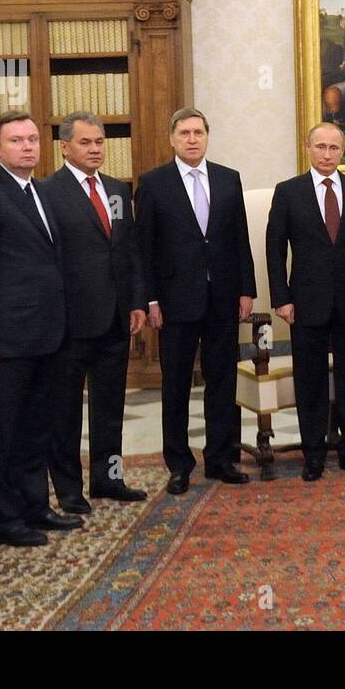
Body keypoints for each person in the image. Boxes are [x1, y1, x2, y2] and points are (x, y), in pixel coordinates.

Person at [0, 111, 79, 546]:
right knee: (1, 434)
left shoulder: (40, 192)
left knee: (36, 428)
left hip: (47, 334)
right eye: (16, 141)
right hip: (5, 340)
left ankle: (35, 507)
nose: (28, 147)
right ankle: (5, 521)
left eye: (32, 139)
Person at [135, 109, 256, 493]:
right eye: (184, 133)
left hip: (222, 297)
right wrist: (150, 299)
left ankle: (221, 458)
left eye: (198, 132)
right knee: (177, 385)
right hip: (175, 302)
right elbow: (144, 249)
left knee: (223, 380)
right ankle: (179, 464)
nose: (192, 139)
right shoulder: (153, 183)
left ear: (207, 136)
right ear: (172, 138)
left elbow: (240, 239)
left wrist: (245, 289)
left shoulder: (228, 179)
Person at [266, 123, 345, 482]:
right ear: (307, 148)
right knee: (311, 379)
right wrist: (281, 299)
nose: (326, 154)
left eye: (334, 148)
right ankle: (314, 453)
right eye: (320, 146)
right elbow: (275, 250)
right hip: (305, 303)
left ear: (342, 151)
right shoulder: (288, 192)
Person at [41, 112, 149, 512]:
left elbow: (129, 250)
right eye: (86, 143)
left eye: (100, 142)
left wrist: (136, 301)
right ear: (65, 146)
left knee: (110, 407)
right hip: (70, 322)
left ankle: (109, 477)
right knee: (65, 410)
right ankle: (69, 489)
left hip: (116, 317)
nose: (95, 149)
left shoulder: (118, 190)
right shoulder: (47, 192)